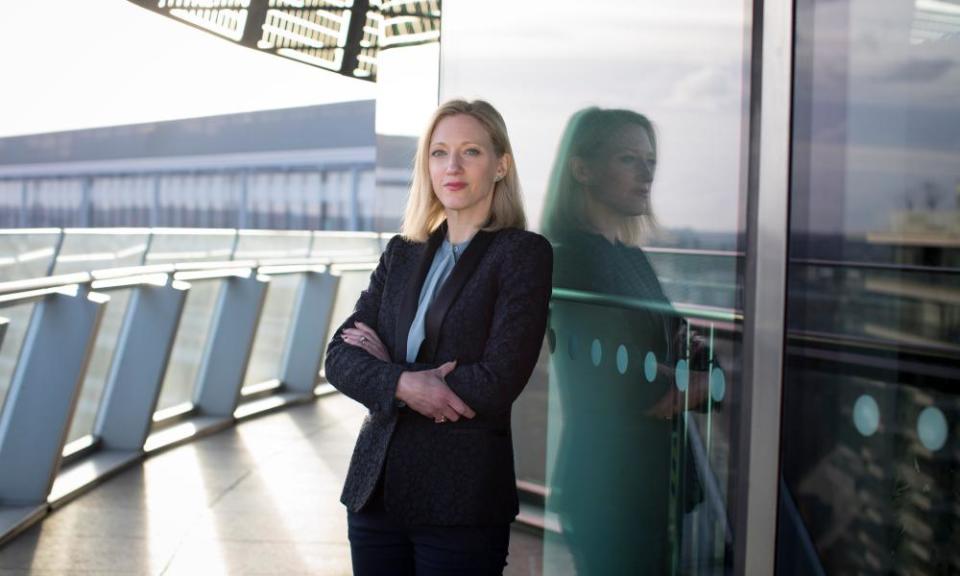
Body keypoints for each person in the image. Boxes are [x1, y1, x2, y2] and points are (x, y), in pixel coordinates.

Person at [323, 99, 553, 576]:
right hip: (375, 491)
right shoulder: (402, 253)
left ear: (500, 165)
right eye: (438, 152)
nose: (452, 166)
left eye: (470, 152)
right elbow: (340, 358)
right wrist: (407, 385)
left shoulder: (521, 254)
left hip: (459, 501)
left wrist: (386, 371)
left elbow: (497, 379)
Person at [541, 107, 709, 574]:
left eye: (650, 161)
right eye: (629, 159)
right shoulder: (570, 259)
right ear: (583, 170)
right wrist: (684, 382)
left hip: (650, 483)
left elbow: (693, 348)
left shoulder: (631, 258)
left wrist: (689, 378)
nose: (646, 173)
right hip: (609, 486)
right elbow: (625, 379)